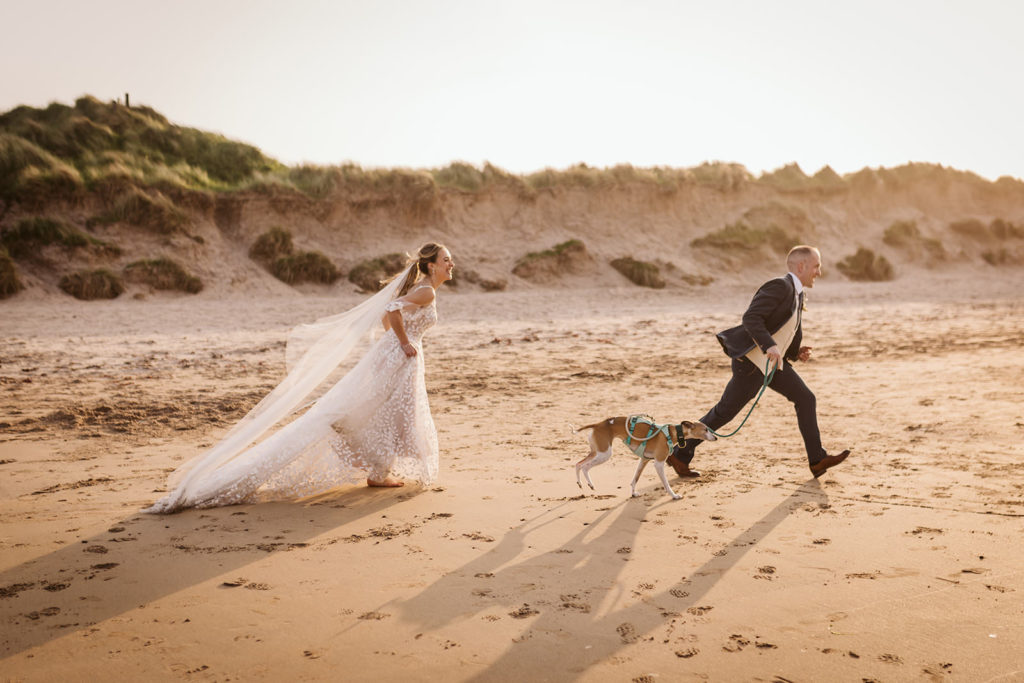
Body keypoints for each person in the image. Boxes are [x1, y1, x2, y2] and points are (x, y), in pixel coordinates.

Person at [144, 242, 454, 513]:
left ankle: (377, 466)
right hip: (400, 355)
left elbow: (389, 316)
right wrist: (403, 342)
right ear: (430, 265)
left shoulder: (423, 290)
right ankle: (363, 448)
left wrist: (397, 342)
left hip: (397, 356)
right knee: (391, 407)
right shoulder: (425, 290)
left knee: (390, 407)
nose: (451, 264)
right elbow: (391, 309)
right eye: (446, 260)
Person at [667, 245, 850, 479]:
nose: (819, 272)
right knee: (724, 412)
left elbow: (786, 328)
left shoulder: (798, 293)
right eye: (817, 266)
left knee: (805, 398)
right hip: (752, 363)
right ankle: (679, 452)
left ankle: (817, 459)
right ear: (801, 266)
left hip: (772, 364)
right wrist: (769, 346)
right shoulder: (779, 286)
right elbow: (752, 318)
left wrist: (795, 352)